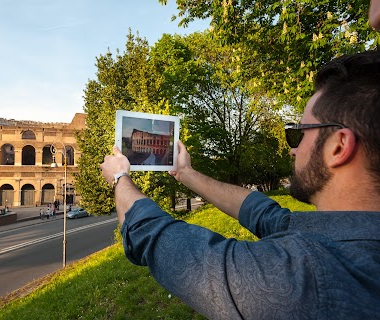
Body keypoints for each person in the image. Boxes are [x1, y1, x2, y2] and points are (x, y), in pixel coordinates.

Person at [101, 49, 380, 319]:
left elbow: (157, 239)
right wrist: (186, 173)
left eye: (297, 134)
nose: (293, 150)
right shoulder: (354, 234)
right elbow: (270, 218)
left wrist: (119, 177)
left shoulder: (309, 279)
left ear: (338, 146)